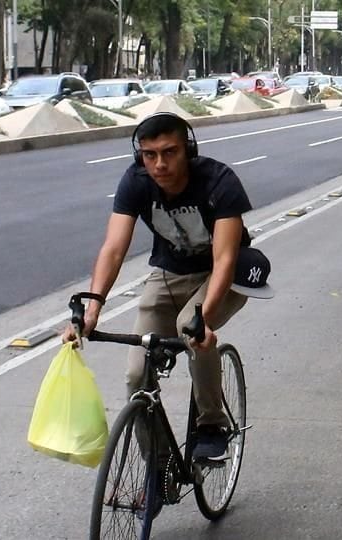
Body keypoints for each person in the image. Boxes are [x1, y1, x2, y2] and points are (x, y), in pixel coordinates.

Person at [62, 112, 272, 464]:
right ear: (140, 156)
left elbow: (224, 259)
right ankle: (158, 467)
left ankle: (212, 425)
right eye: (150, 155)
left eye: (169, 152)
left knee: (190, 329)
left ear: (187, 149)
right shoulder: (136, 182)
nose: (160, 164)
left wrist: (204, 318)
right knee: (136, 374)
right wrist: (93, 309)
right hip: (168, 274)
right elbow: (113, 249)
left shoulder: (219, 181)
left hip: (222, 275)